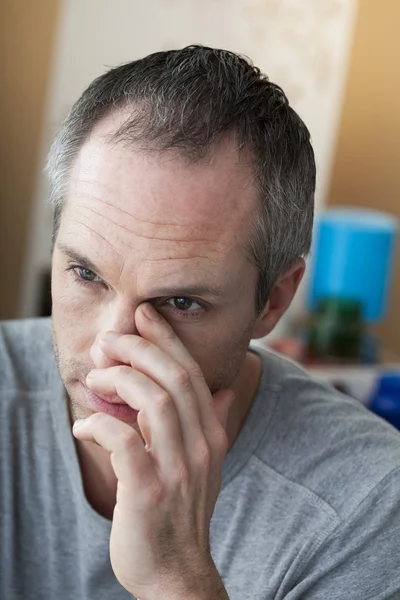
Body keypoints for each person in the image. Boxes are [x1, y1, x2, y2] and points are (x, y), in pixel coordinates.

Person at [2, 45, 400, 600]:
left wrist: (177, 577)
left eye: (181, 303)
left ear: (272, 301)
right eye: (86, 273)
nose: (110, 353)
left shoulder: (366, 507)